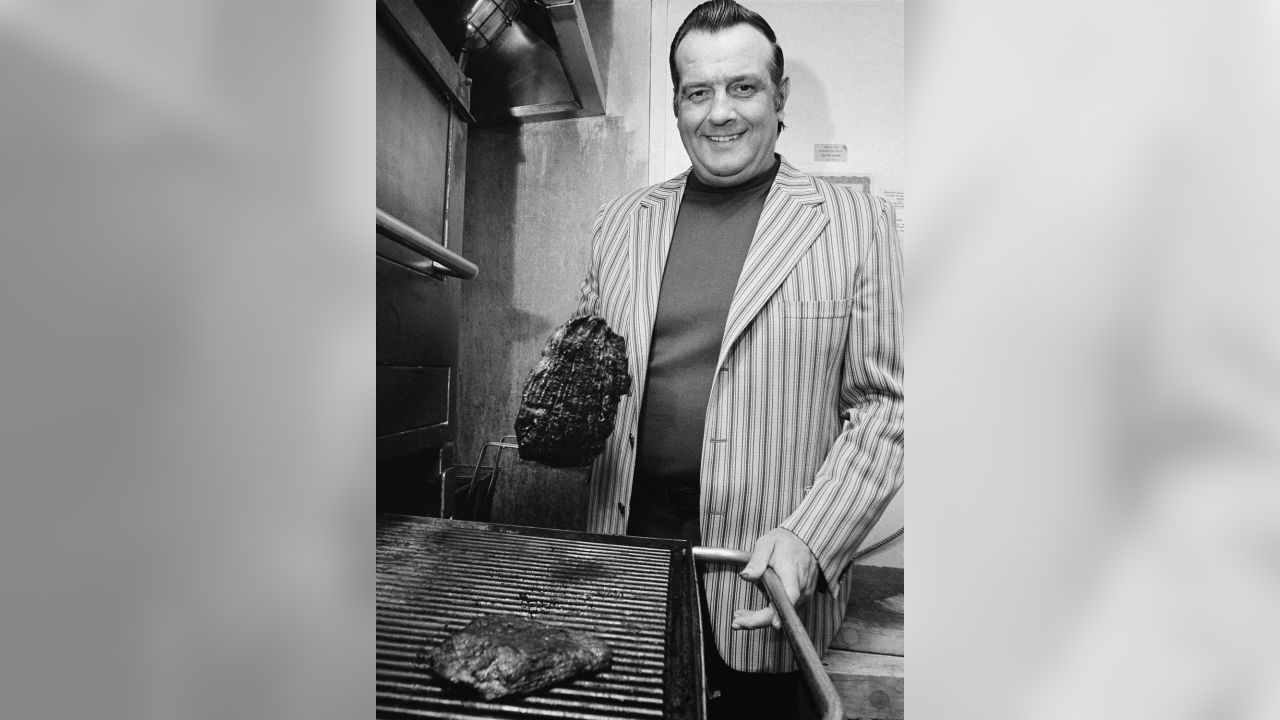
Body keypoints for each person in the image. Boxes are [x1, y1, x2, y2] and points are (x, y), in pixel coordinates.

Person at [571, 1, 903, 716]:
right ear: (678, 104)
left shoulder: (855, 224)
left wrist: (814, 543)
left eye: (743, 87)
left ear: (779, 98)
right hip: (626, 565)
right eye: (698, 92)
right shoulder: (621, 222)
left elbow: (887, 405)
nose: (720, 113)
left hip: (766, 585)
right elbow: (587, 364)